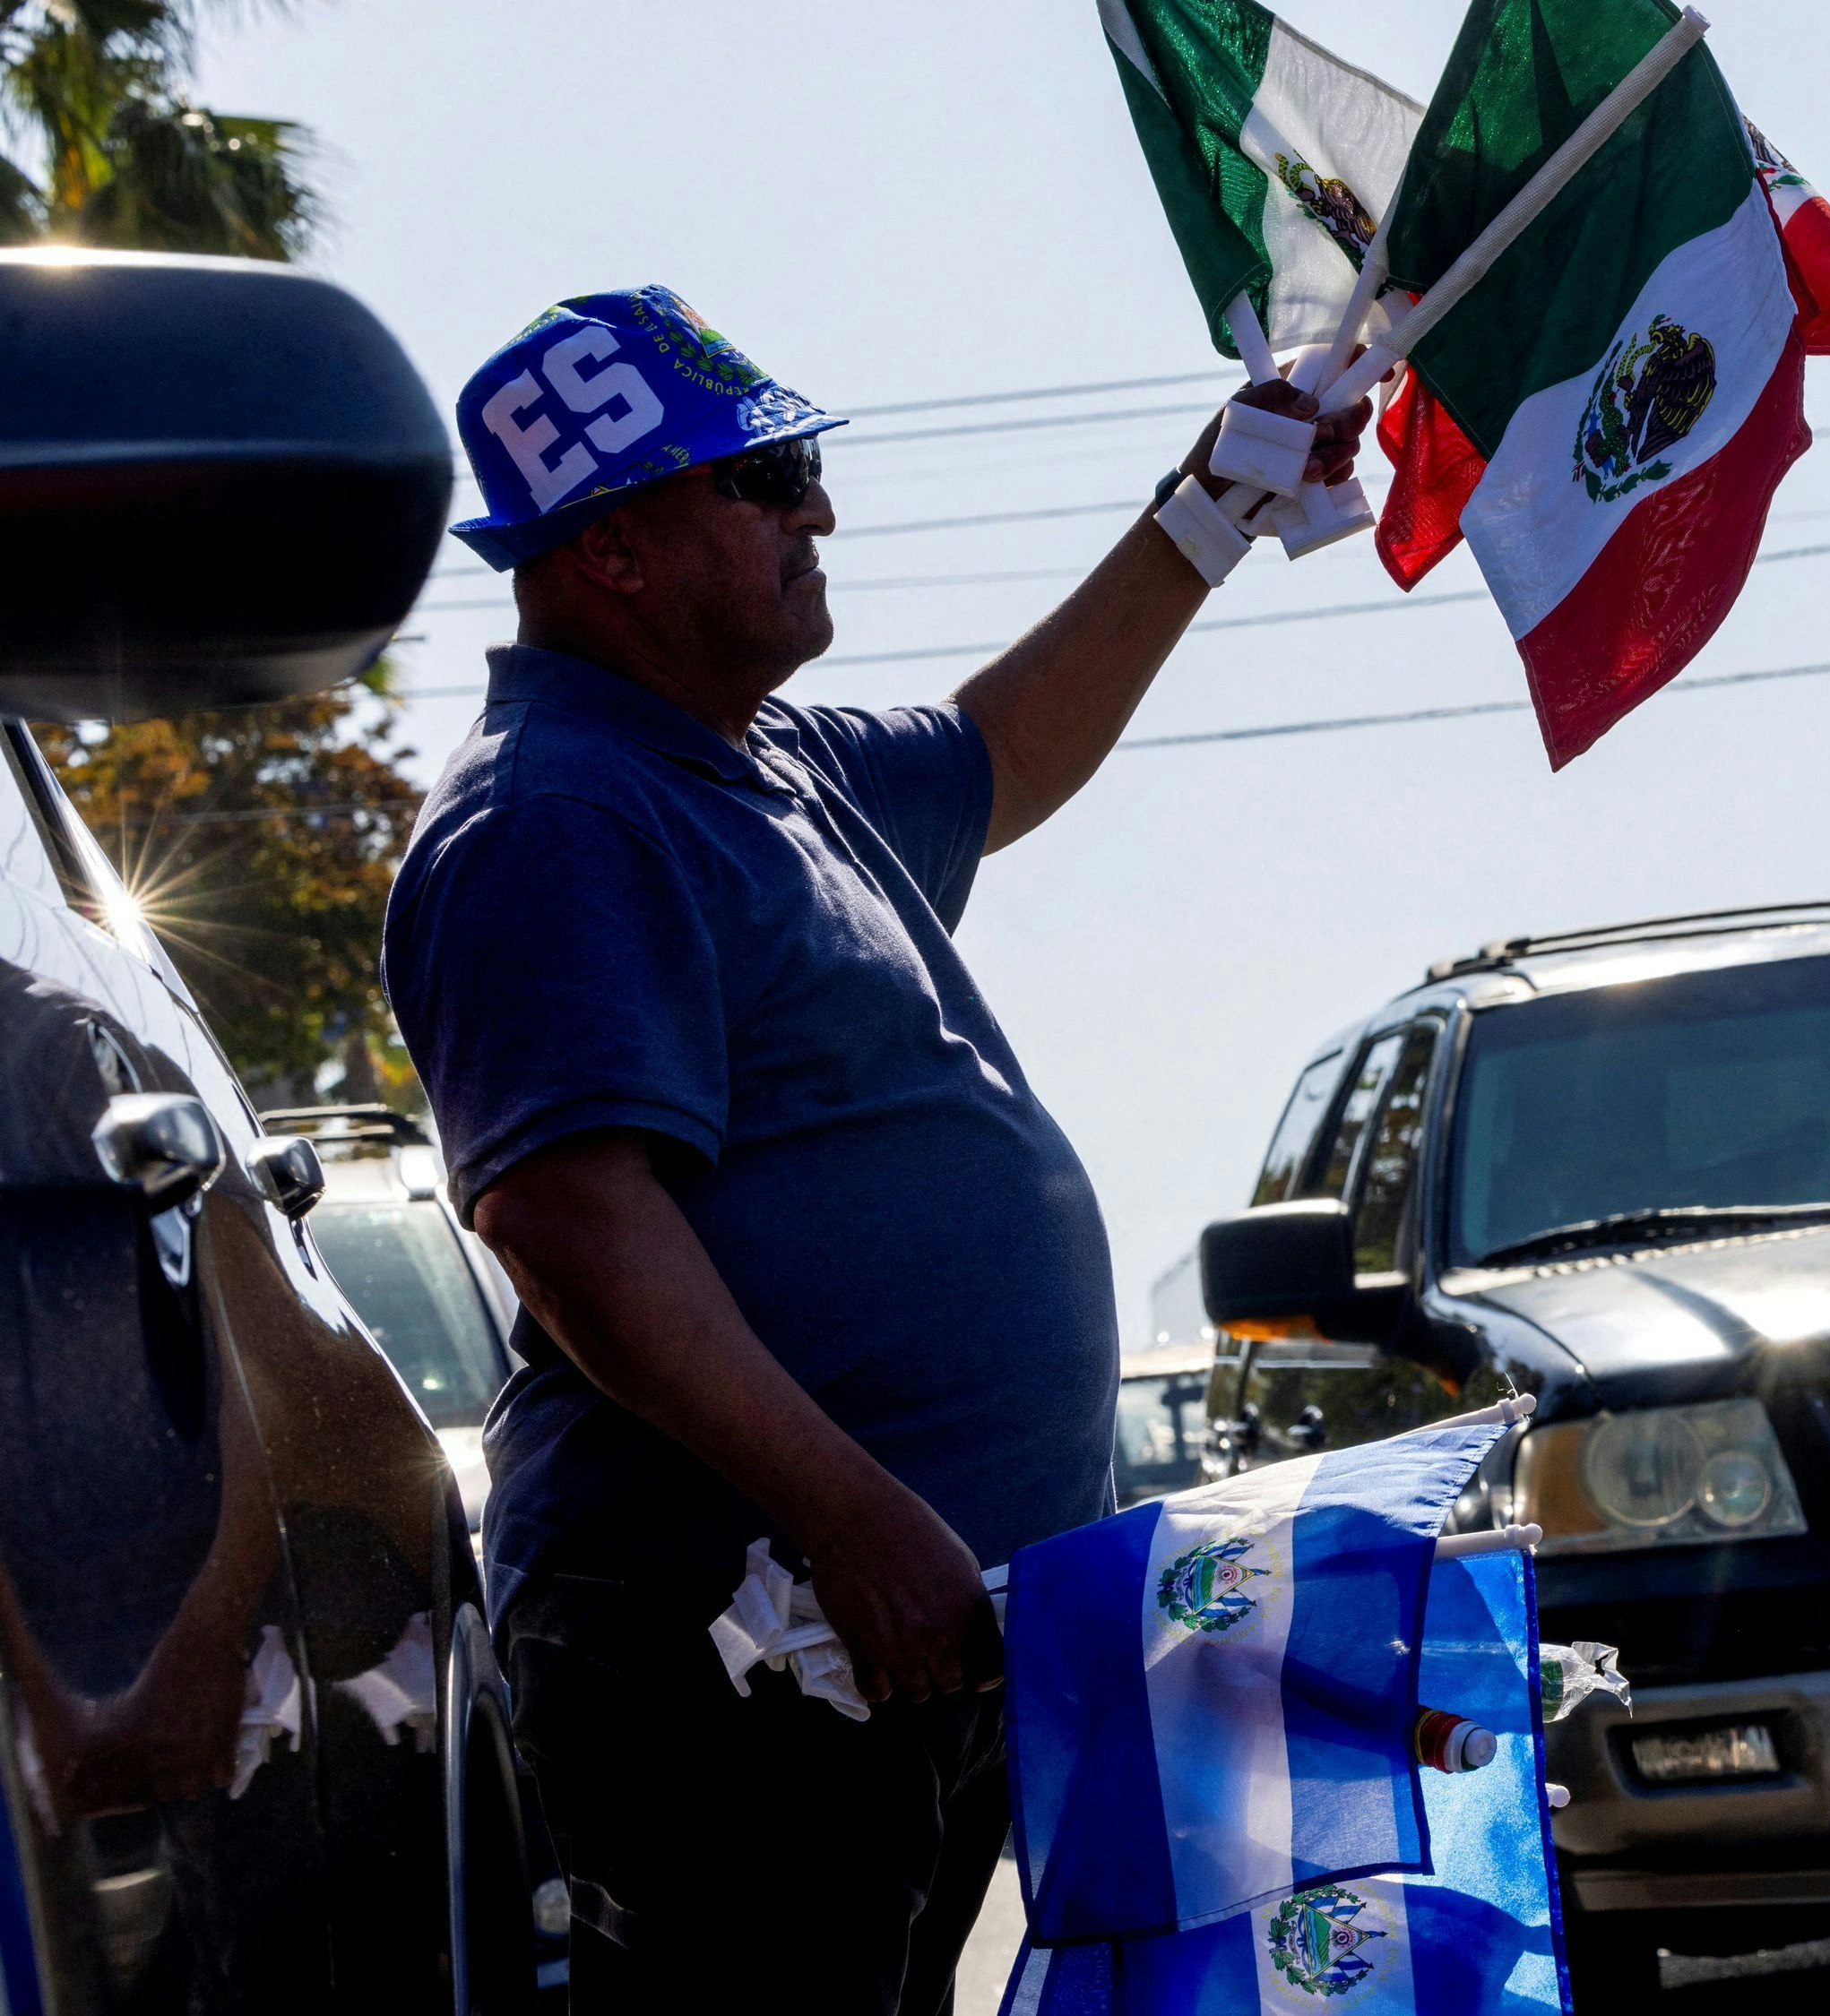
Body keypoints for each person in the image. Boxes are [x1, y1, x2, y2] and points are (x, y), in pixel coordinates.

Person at [382, 285, 1367, 2012]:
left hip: (876, 1623)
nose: (816, 510)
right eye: (762, 479)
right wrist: (849, 1511)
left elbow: (1001, 752)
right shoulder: (552, 816)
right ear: (609, 548)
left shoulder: (762, 763)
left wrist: (1211, 507)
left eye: (805, 466)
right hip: (742, 1631)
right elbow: (575, 1221)